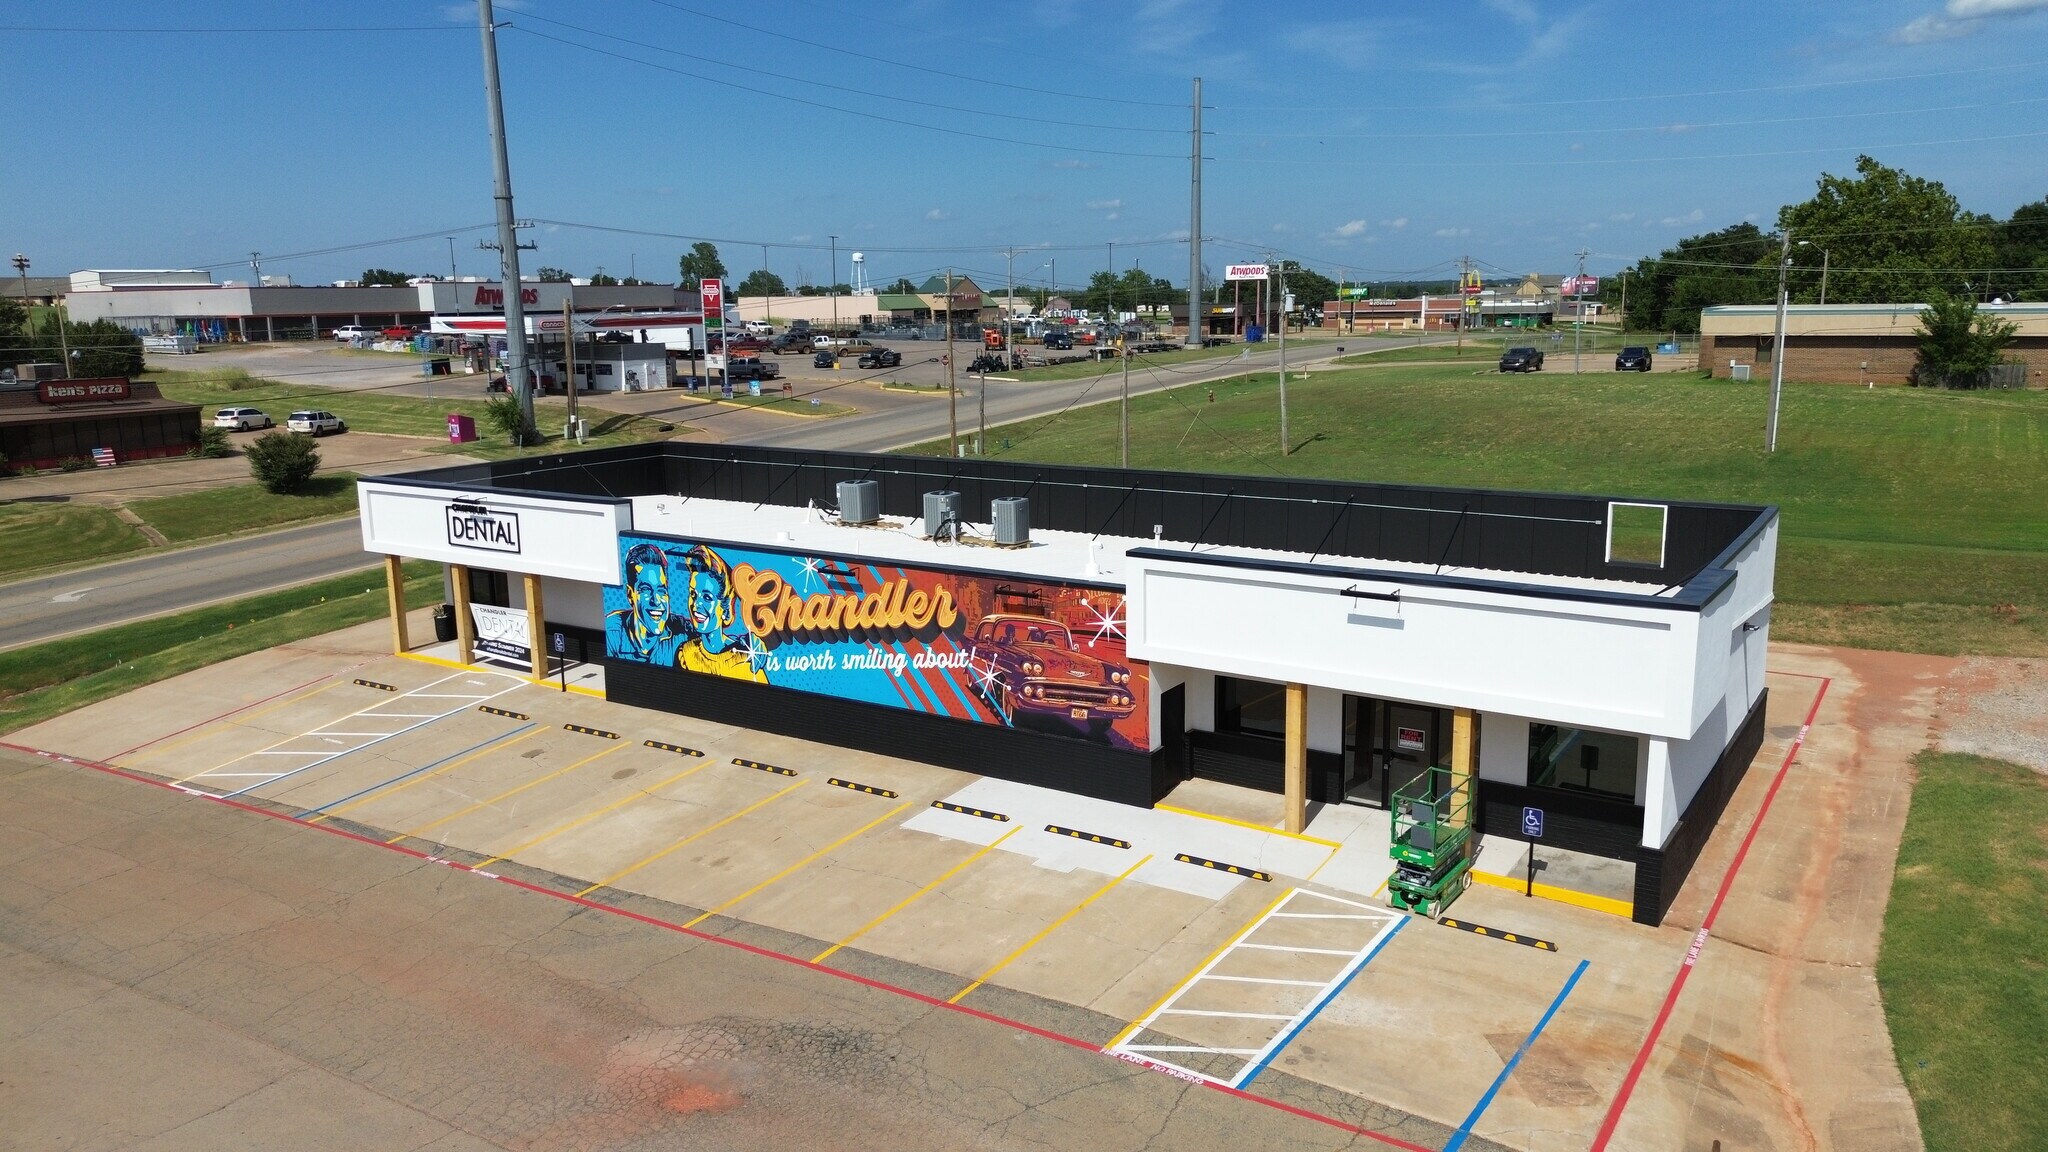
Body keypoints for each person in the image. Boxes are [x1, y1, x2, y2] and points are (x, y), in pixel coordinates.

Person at [675, 544, 767, 682]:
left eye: (707, 597)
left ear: (725, 608)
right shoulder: (685, 652)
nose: (696, 604)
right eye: (693, 594)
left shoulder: (746, 658)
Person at [607, 542, 680, 664]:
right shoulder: (614, 632)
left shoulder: (681, 632)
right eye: (646, 589)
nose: (656, 600)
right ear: (631, 595)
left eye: (661, 590)